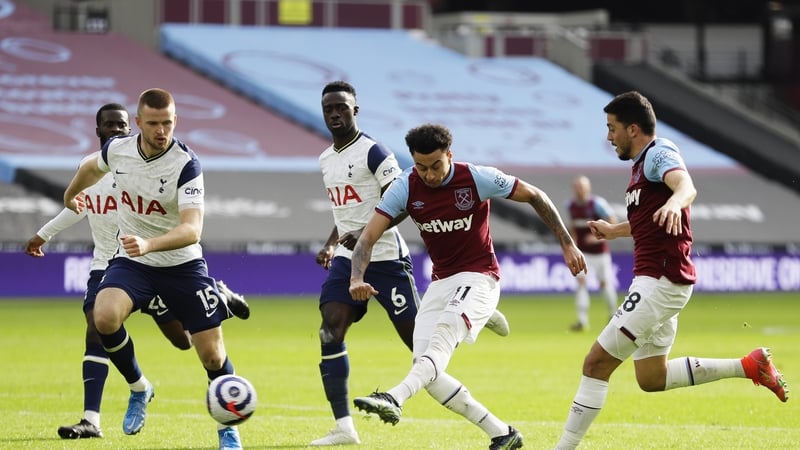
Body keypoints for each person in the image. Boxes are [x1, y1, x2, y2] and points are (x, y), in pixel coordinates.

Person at [553, 91, 789, 450]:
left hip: (659, 281)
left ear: (633, 129)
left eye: (612, 128)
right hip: (660, 281)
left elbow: (686, 186)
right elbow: (648, 219)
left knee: (595, 363)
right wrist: (615, 230)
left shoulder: (658, 153)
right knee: (652, 377)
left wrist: (677, 202)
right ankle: (749, 365)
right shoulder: (639, 169)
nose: (608, 136)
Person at [349, 123, 585, 450]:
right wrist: (356, 278)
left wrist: (567, 244)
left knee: (439, 346)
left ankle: (394, 396)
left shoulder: (476, 178)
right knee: (426, 370)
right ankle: (502, 433)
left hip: (480, 275)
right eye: (421, 166)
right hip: (442, 282)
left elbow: (535, 195)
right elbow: (368, 237)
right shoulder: (406, 185)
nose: (429, 175)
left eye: (436, 166)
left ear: (450, 155)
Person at [25, 103, 249, 440]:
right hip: (133, 264)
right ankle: (138, 389)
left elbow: (192, 230)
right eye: (155, 123)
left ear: (176, 122)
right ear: (141, 123)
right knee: (103, 318)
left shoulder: (186, 164)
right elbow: (90, 167)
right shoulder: (118, 151)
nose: (162, 131)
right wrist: (71, 194)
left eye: (168, 123)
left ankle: (228, 433)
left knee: (210, 355)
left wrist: (149, 244)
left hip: (181, 264)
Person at [311, 81, 510, 446]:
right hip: (350, 257)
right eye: (329, 109)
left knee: (423, 357)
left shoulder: (375, 153)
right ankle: (343, 426)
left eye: (342, 107)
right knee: (329, 330)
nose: (335, 114)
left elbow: (401, 199)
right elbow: (345, 213)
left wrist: (371, 231)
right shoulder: (326, 160)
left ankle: (482, 313)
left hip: (387, 258)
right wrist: (332, 243)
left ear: (355, 110)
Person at [566, 175, 618, 332]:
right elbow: (573, 227)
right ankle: (582, 322)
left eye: (582, 187)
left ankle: (612, 316)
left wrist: (597, 239)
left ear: (588, 188)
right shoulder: (571, 206)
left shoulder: (597, 204)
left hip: (600, 252)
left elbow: (613, 222)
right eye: (577, 187)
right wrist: (571, 245)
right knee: (581, 283)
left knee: (604, 283)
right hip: (583, 253)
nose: (579, 190)